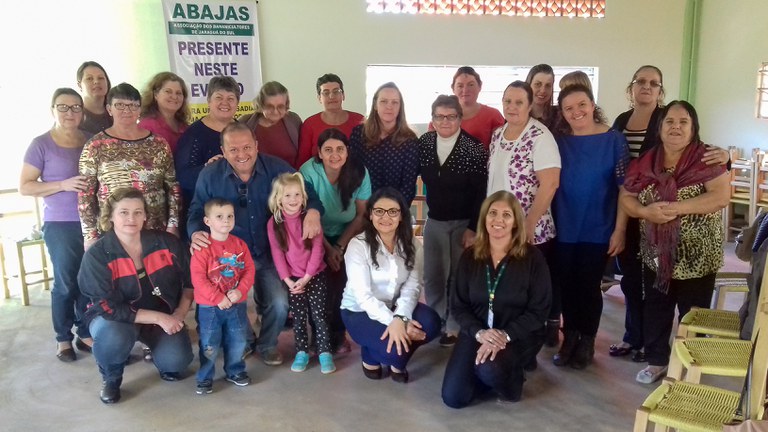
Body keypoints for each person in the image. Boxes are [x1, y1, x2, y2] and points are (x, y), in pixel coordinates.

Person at [609, 66, 729, 363]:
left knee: (695, 310)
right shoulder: (638, 148)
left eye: (683, 122)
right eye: (670, 122)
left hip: (698, 254)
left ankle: (694, 362)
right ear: (660, 128)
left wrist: (676, 208)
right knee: (654, 302)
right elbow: (627, 193)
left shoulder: (707, 158)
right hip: (655, 248)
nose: (675, 127)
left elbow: (720, 196)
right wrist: (644, 212)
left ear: (693, 128)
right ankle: (654, 357)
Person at [187, 121, 324, 367]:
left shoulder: (277, 168)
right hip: (228, 258)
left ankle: (268, 344)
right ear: (223, 150)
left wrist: (312, 211)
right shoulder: (210, 175)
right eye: (234, 149)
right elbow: (196, 211)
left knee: (280, 304)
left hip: (270, 253)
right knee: (231, 302)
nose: (242, 155)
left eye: (247, 147)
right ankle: (247, 340)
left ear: (257, 145)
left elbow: (309, 194)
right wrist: (196, 232)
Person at [78, 188, 194, 404]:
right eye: (123, 212)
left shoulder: (167, 242)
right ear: (110, 216)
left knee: (176, 364)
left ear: (145, 216)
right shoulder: (98, 255)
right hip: (115, 320)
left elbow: (190, 282)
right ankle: (111, 378)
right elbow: (109, 308)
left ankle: (152, 344)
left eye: (138, 212)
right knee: (115, 336)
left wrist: (178, 314)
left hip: (160, 315)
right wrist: (160, 318)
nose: (131, 218)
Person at [441, 191, 551, 408]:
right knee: (454, 397)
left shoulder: (532, 257)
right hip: (478, 331)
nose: (498, 220)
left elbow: (540, 310)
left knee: (489, 368)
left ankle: (512, 382)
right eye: (492, 213)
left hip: (518, 334)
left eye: (506, 215)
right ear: (484, 218)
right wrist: (480, 333)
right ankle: (487, 373)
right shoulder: (470, 256)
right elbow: (459, 305)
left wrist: (504, 335)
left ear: (515, 222)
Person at [551, 84, 629, 370]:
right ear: (562, 112)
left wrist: (619, 230)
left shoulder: (613, 140)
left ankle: (587, 341)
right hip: (565, 227)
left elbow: (625, 190)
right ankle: (569, 338)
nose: (576, 112)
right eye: (569, 108)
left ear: (592, 103)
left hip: (599, 227)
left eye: (581, 104)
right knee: (567, 287)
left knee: (588, 286)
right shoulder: (558, 141)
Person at [20, 88, 93, 361]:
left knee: (88, 282)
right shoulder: (41, 144)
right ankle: (63, 338)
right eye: (63, 107)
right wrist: (63, 185)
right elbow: (25, 186)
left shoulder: (91, 141)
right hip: (61, 223)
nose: (70, 113)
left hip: (90, 223)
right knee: (65, 282)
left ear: (82, 111)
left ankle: (85, 333)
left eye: (75, 107)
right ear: (53, 110)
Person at [487, 81, 561, 348]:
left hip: (531, 230)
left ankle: (530, 344)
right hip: (498, 229)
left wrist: (528, 224)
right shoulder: (498, 134)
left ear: (530, 105)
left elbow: (550, 182)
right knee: (507, 289)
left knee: (530, 291)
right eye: (507, 101)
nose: (512, 107)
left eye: (519, 102)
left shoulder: (540, 136)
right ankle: (506, 340)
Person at [340, 187, 441, 383]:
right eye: (379, 211)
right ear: (370, 214)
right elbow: (363, 297)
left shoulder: (412, 245)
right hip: (358, 310)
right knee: (395, 350)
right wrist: (392, 322)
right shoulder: (358, 246)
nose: (385, 217)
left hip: (395, 306)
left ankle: (392, 356)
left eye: (393, 211)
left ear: (402, 215)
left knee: (431, 323)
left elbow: (412, 287)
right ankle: (371, 354)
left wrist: (401, 318)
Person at [418, 95, 488, 347]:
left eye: (451, 116)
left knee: (458, 277)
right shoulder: (425, 143)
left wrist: (473, 227)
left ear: (460, 118)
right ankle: (436, 321)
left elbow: (482, 191)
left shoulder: (474, 147)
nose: (445, 121)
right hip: (435, 220)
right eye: (439, 116)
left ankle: (455, 326)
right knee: (434, 276)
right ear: (433, 119)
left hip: (463, 223)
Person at [78, 82, 181, 249]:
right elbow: (86, 194)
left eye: (133, 105)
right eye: (120, 105)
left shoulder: (159, 143)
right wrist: (89, 235)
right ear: (109, 109)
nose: (127, 110)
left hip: (155, 230)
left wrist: (173, 224)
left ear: (140, 110)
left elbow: (172, 186)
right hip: (113, 233)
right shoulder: (95, 145)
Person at [299, 128, 371, 353]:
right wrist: (328, 249)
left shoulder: (359, 172)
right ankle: (318, 337)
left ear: (347, 152)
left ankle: (338, 335)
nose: (334, 155)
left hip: (348, 235)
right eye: (328, 150)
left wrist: (339, 246)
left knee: (343, 284)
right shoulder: (308, 171)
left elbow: (362, 215)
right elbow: (304, 214)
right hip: (314, 234)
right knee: (317, 286)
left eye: (340, 149)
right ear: (319, 153)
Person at [267, 173, 336, 374]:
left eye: (297, 194)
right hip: (293, 280)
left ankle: (324, 352)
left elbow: (317, 251)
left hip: (314, 275)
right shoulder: (274, 223)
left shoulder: (310, 218)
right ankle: (301, 352)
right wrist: (288, 281)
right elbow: (277, 253)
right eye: (287, 195)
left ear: (304, 197)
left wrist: (306, 277)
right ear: (278, 198)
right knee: (298, 317)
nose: (293, 200)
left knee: (319, 315)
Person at [191, 198, 255, 395]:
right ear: (207, 221)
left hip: (237, 304)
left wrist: (241, 291)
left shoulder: (240, 244)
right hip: (210, 308)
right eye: (219, 217)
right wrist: (218, 298)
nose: (226, 221)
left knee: (238, 340)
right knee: (209, 343)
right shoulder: (202, 248)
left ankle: (235, 371)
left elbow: (249, 270)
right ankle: (205, 377)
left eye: (230, 216)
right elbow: (198, 279)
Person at [175, 76, 240, 210]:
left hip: (238, 208)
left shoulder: (243, 131)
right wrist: (207, 168)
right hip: (205, 212)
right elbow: (183, 177)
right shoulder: (193, 135)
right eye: (219, 97)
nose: (225, 103)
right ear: (209, 101)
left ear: (237, 103)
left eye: (230, 98)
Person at [349, 82, 418, 205]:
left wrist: (392, 212)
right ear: (375, 105)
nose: (389, 106)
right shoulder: (359, 134)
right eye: (384, 101)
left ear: (400, 107)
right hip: (362, 207)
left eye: (395, 102)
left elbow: (408, 185)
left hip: (395, 211)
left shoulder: (410, 139)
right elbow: (353, 174)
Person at [297, 73, 365, 166]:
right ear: (319, 98)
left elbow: (367, 156)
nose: (332, 96)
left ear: (343, 95)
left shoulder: (359, 121)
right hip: (318, 179)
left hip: (354, 177)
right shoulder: (310, 124)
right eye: (326, 92)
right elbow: (302, 161)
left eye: (336, 91)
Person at [239, 81, 303, 168]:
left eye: (280, 106)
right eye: (270, 106)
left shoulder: (294, 120)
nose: (275, 111)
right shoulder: (244, 122)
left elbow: (303, 154)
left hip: (290, 178)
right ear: (261, 105)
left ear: (286, 105)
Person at [447, 66, 505, 149]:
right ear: (453, 88)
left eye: (471, 85)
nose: (465, 90)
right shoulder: (442, 116)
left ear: (479, 86)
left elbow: (502, 149)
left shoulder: (493, 115)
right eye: (460, 86)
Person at [139, 72, 190, 155]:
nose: (174, 97)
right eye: (168, 91)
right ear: (155, 95)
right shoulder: (146, 127)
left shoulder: (185, 127)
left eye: (178, 93)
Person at [76, 61, 112, 134]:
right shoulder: (74, 116)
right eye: (89, 78)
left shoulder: (116, 111)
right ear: (80, 85)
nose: (96, 82)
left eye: (101, 78)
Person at [525, 64, 558, 131]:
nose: (543, 90)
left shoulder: (559, 116)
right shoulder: (516, 115)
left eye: (548, 85)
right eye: (538, 84)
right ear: (528, 85)